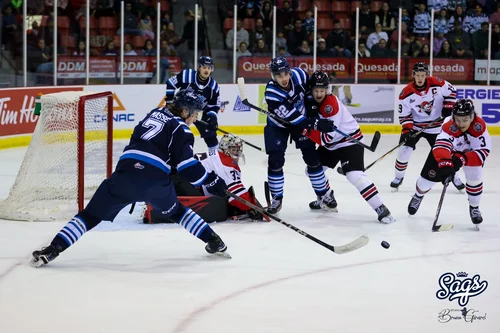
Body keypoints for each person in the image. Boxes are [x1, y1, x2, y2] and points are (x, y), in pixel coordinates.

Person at [30, 89, 230, 267]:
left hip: (125, 174)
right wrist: (213, 182)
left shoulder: (154, 113)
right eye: (195, 113)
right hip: (154, 181)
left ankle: (53, 248)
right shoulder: (182, 129)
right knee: (177, 211)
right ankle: (213, 240)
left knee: (90, 215)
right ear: (185, 111)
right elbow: (188, 169)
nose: (196, 118)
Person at [303, 71, 395, 224]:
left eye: (322, 90)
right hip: (333, 144)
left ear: (327, 89)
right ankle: (327, 198)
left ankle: (380, 208)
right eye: (316, 90)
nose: (319, 94)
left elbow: (326, 139)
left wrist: (306, 131)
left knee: (354, 175)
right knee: (312, 170)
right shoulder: (310, 101)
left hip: (349, 142)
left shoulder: (330, 106)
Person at [264, 56, 337, 214]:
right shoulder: (271, 93)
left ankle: (323, 194)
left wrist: (311, 108)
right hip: (278, 126)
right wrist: (314, 123)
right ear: (273, 76)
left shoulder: (299, 75)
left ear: (289, 72)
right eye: (278, 75)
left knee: (312, 159)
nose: (283, 78)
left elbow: (313, 88)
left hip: (303, 120)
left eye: (285, 74)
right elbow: (292, 118)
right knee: (275, 160)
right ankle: (277, 198)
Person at [143, 133, 264, 223]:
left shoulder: (216, 155)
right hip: (181, 180)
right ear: (224, 149)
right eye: (233, 149)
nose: (236, 153)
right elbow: (238, 198)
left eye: (238, 149)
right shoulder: (226, 163)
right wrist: (251, 207)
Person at [407, 99, 491, 225]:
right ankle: (418, 195)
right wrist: (446, 165)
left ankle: (474, 207)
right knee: (425, 181)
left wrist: (461, 158)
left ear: (472, 117)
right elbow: (441, 146)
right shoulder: (448, 125)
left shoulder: (479, 127)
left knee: (475, 177)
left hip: (469, 155)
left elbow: (483, 152)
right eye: (457, 119)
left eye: (465, 120)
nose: (461, 124)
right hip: (448, 153)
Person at [391, 62, 465, 192]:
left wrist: (448, 107)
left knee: (446, 153)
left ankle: (455, 177)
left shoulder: (437, 83)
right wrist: (407, 130)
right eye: (417, 75)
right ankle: (398, 178)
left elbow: (452, 91)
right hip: (416, 127)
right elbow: (404, 115)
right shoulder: (406, 93)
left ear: (426, 75)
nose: (420, 78)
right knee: (404, 151)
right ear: (413, 75)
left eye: (422, 75)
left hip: (437, 127)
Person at [165, 56, 220, 154]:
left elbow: (213, 105)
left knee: (210, 134)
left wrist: (213, 118)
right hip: (181, 109)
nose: (206, 70)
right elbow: (171, 83)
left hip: (198, 113)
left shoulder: (213, 86)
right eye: (204, 67)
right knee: (173, 130)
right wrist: (169, 101)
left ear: (212, 69)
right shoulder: (188, 75)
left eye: (209, 68)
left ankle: (215, 158)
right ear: (199, 68)